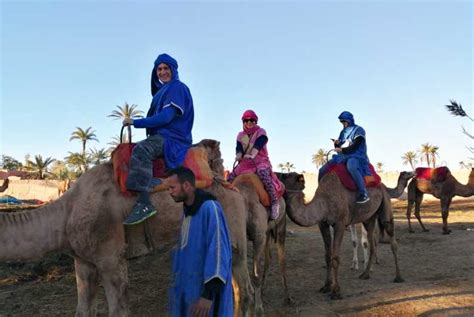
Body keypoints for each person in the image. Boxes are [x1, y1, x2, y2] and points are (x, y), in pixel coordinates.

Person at [122, 53, 194, 225]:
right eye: (159, 69)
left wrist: (135, 122)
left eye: (165, 68)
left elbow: (166, 117)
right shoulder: (163, 92)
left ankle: (145, 203)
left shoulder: (177, 88)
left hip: (173, 138)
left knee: (142, 149)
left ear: (173, 70)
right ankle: (148, 180)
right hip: (162, 135)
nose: (162, 72)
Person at [167, 167, 233, 317]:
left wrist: (208, 295)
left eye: (172, 187)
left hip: (206, 297)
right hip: (190, 290)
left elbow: (218, 252)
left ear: (186, 186)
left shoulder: (210, 209)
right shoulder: (187, 212)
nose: (169, 192)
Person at [228, 109, 281, 219]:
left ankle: (274, 202)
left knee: (263, 174)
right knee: (230, 178)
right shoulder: (240, 135)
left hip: (260, 160)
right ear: (243, 122)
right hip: (245, 163)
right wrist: (238, 155)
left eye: (252, 120)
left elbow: (259, 144)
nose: (249, 122)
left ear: (256, 121)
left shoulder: (261, 132)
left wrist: (252, 154)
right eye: (246, 120)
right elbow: (239, 148)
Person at [318, 111, 371, 204]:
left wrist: (342, 150)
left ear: (349, 120)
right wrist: (337, 143)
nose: (343, 124)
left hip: (356, 155)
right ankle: (320, 193)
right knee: (322, 169)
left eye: (344, 121)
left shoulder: (359, 130)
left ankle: (363, 193)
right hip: (343, 156)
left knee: (351, 166)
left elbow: (356, 145)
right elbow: (339, 147)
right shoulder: (343, 132)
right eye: (342, 122)